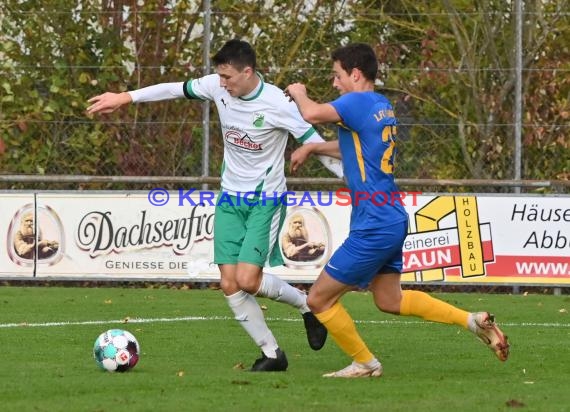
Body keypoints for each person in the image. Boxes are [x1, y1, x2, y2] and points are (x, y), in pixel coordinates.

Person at [86, 39, 343, 372]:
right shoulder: (218, 86)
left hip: (265, 201)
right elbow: (173, 89)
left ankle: (307, 307)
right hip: (229, 199)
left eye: (228, 78)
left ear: (248, 72)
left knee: (249, 280)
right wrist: (125, 97)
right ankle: (272, 354)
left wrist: (354, 179)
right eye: (220, 77)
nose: (222, 84)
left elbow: (317, 146)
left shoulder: (278, 102)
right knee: (229, 283)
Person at [285, 43, 510, 378]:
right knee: (389, 300)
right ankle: (471, 321)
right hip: (391, 215)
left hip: (374, 222)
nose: (334, 84)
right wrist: (315, 146)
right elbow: (355, 145)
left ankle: (365, 363)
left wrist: (298, 92)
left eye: (337, 76)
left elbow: (311, 113)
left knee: (318, 300)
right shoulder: (380, 105)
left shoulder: (356, 101)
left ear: (355, 74)